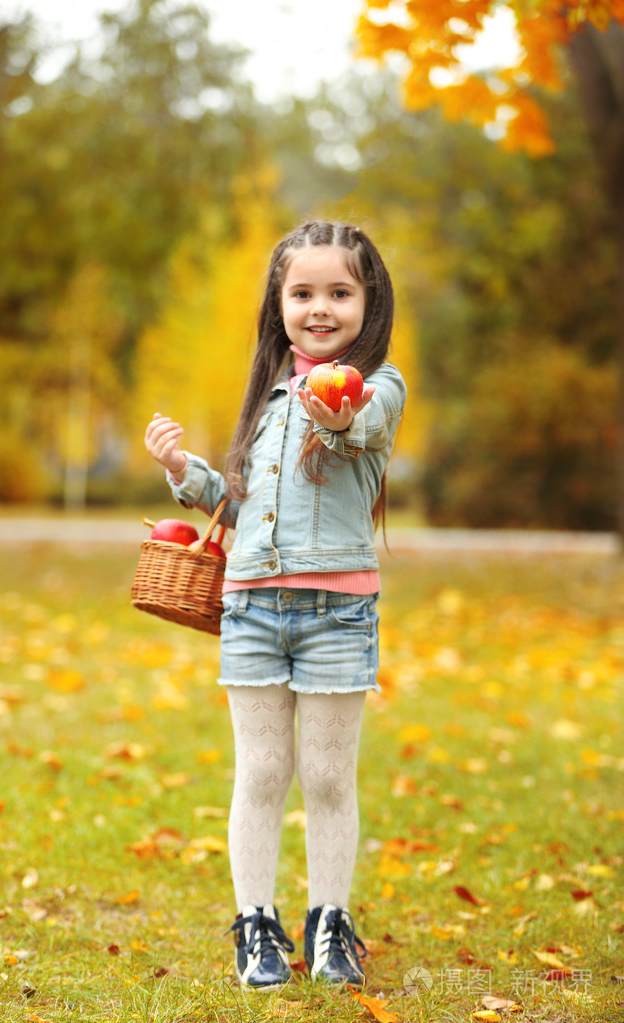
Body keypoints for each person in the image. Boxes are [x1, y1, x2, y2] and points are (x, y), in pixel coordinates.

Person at [144, 220, 406, 991]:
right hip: (252, 608)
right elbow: (241, 500)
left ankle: (331, 921)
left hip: (335, 611)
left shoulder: (377, 385)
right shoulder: (268, 396)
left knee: (326, 776)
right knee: (259, 771)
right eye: (302, 293)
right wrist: (181, 468)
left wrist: (338, 418)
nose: (319, 307)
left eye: (339, 292)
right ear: (279, 303)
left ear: (369, 302)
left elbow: (361, 429)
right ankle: (255, 922)